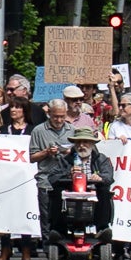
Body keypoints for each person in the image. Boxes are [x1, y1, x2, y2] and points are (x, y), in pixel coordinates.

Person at [30, 98, 76, 245]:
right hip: (46, 180)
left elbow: (79, 155)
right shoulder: (38, 130)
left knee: (66, 214)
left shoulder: (72, 130)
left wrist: (69, 152)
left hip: (67, 180)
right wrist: (47, 152)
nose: (59, 119)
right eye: (56, 116)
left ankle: (64, 243)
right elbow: (32, 157)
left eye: (62, 116)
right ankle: (47, 245)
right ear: (49, 113)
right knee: (46, 215)